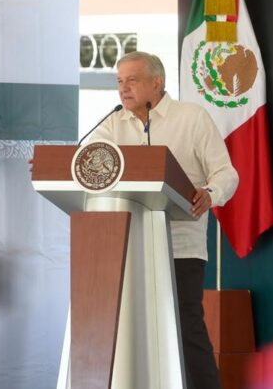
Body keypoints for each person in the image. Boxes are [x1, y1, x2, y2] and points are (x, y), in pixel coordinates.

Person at [91, 51, 239, 389]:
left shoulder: (192, 118)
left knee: (185, 329)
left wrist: (210, 193)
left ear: (156, 82)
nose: (123, 89)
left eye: (132, 80)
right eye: (119, 81)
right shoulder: (113, 123)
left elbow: (226, 173)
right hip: (127, 246)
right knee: (132, 330)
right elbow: (87, 161)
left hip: (181, 246)